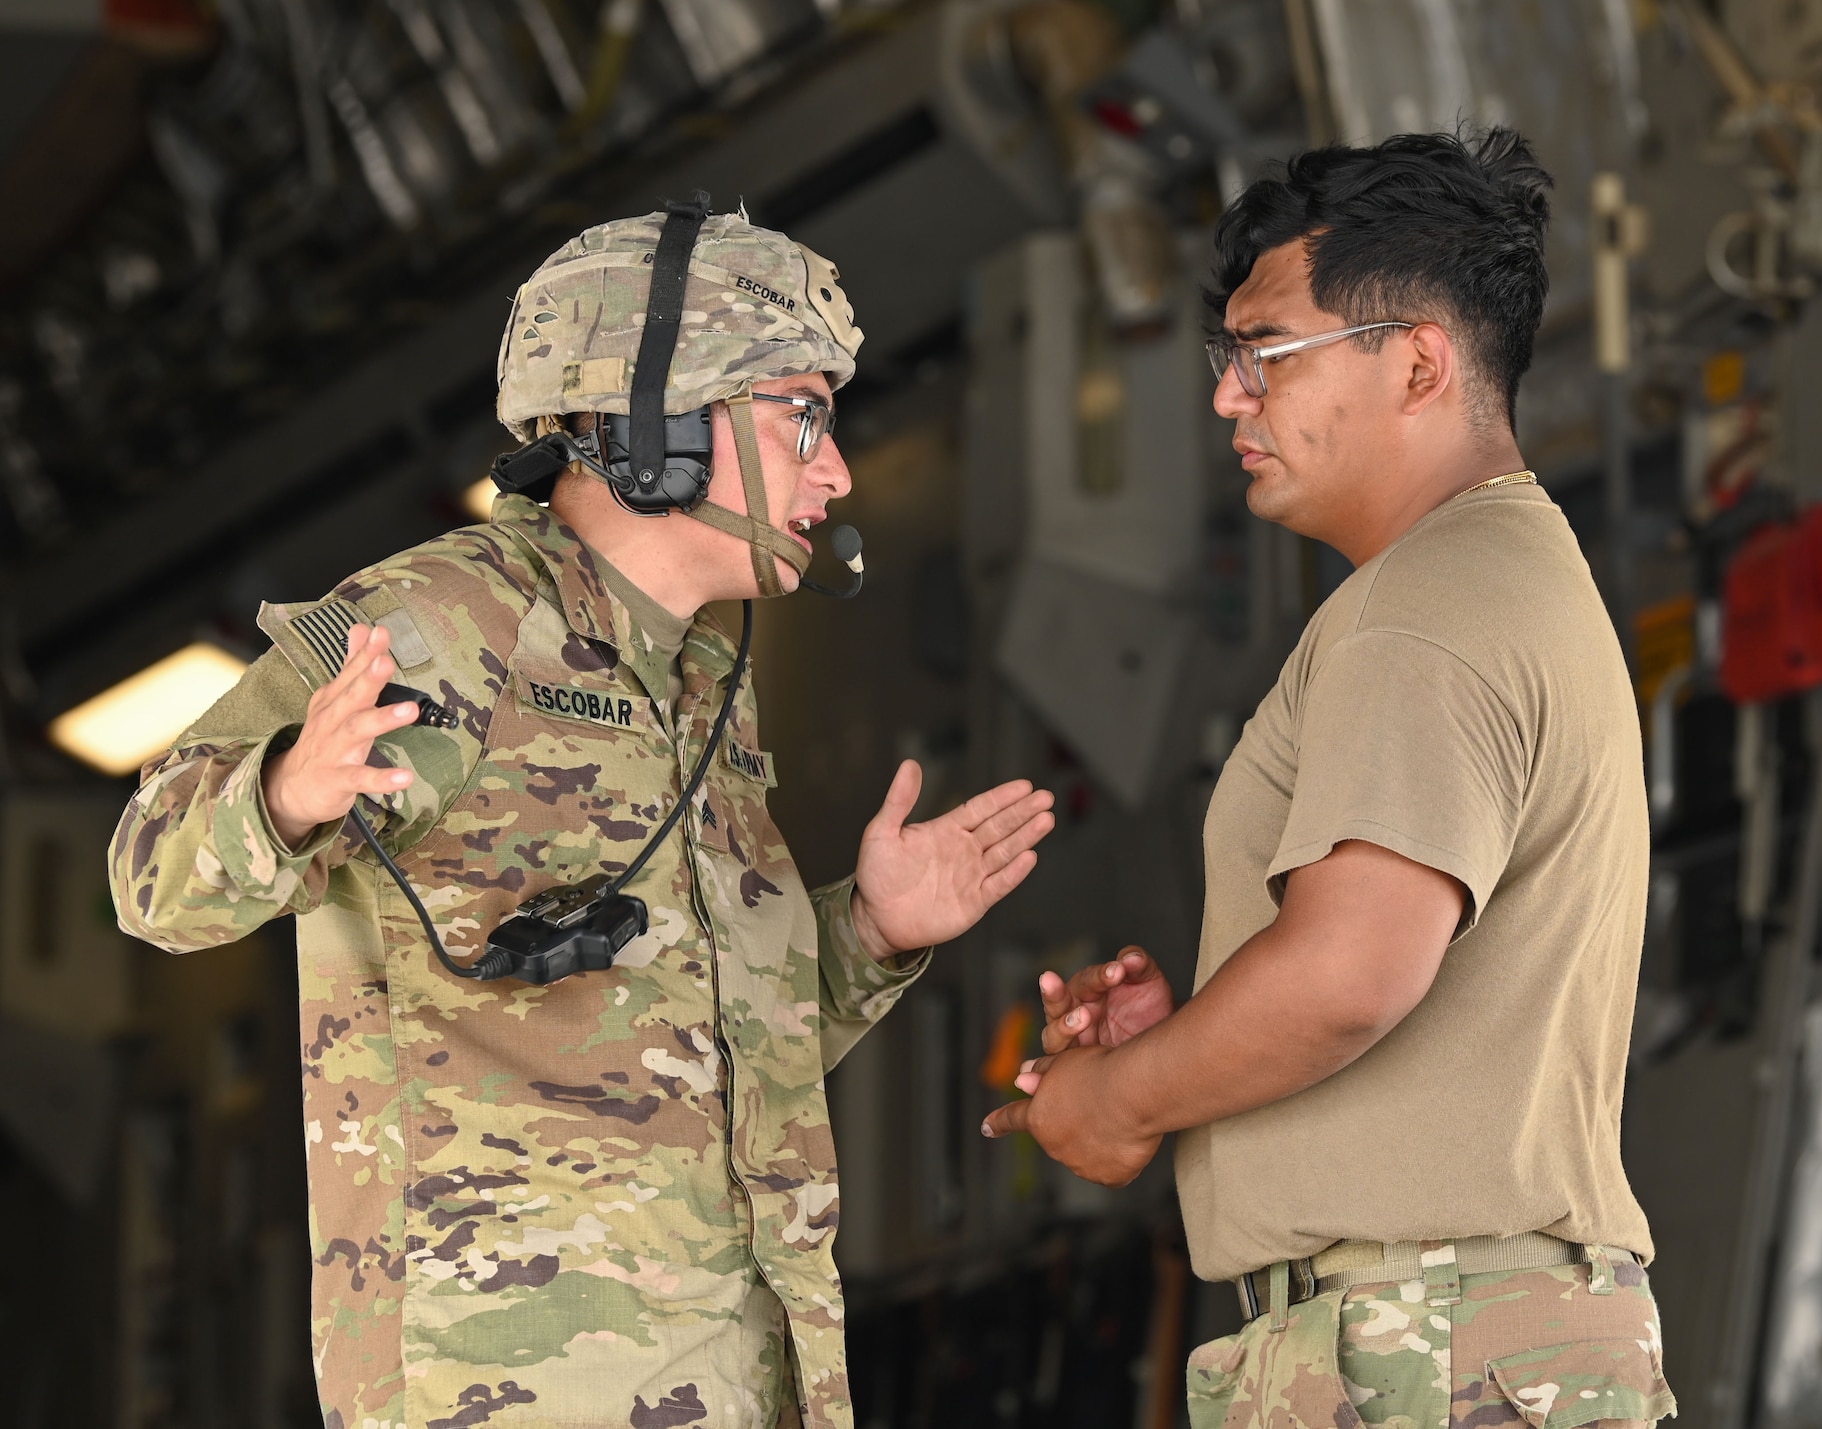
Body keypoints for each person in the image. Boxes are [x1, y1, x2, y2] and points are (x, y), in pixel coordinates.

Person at [110, 209, 1055, 1429]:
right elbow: (148, 876)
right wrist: (288, 790)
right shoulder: (445, 620)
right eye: (799, 416)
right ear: (656, 430)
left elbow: (698, 1054)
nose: (837, 473)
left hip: (730, 1380)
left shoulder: (704, 681)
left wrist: (870, 934)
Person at [983, 129, 1678, 1429]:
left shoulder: (1423, 609)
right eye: (1226, 359)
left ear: (1418, 359)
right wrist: (1193, 1035)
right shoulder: (1488, 579)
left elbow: (1353, 973)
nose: (1228, 399)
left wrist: (1117, 1102)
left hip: (1427, 1349)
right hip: (1459, 1339)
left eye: (1269, 354)